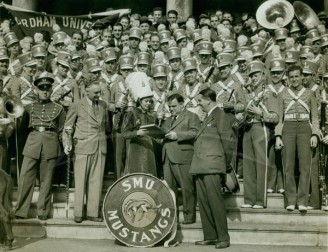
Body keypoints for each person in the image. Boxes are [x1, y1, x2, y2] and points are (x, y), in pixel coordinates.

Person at [14, 74, 66, 220]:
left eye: (47, 88)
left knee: (46, 180)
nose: (44, 91)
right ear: (36, 90)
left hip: (51, 144)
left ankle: (42, 211)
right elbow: (23, 130)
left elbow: (63, 129)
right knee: (25, 178)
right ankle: (20, 211)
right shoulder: (29, 108)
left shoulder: (59, 108)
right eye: (41, 88)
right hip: (32, 143)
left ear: (51, 90)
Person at [275, 65, 320, 212]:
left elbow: (314, 116)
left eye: (297, 76)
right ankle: (291, 199)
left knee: (304, 166)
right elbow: (279, 119)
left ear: (302, 77)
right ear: (288, 78)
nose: (294, 79)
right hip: (288, 128)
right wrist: (278, 136)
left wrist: (314, 134)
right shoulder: (282, 95)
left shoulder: (309, 94)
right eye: (291, 77)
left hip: (304, 129)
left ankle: (302, 200)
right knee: (288, 165)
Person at [190, 88, 230, 249]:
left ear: (208, 100)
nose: (198, 104)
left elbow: (227, 142)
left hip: (213, 165)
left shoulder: (220, 115)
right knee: (204, 203)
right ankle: (211, 236)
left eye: (200, 101)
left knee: (215, 202)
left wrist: (225, 166)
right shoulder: (207, 116)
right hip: (200, 165)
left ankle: (223, 238)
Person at [63, 81, 109, 223]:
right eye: (95, 92)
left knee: (96, 181)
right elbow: (67, 127)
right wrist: (67, 143)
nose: (98, 95)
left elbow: (104, 126)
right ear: (86, 91)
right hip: (82, 147)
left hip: (99, 147)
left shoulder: (103, 105)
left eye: (99, 92)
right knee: (80, 180)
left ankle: (93, 213)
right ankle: (78, 212)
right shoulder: (77, 105)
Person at [162, 93, 200, 224]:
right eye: (169, 106)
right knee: (169, 189)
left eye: (174, 106)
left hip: (183, 156)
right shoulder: (168, 119)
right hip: (167, 156)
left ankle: (189, 217)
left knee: (186, 187)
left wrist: (177, 135)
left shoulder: (191, 116)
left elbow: (195, 132)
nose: (171, 109)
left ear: (182, 104)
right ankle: (173, 218)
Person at [121, 72, 159, 176]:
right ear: (140, 101)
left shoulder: (151, 115)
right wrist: (137, 132)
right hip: (136, 150)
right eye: (146, 101)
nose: (148, 103)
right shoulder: (131, 113)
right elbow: (124, 133)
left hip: (149, 149)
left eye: (150, 101)